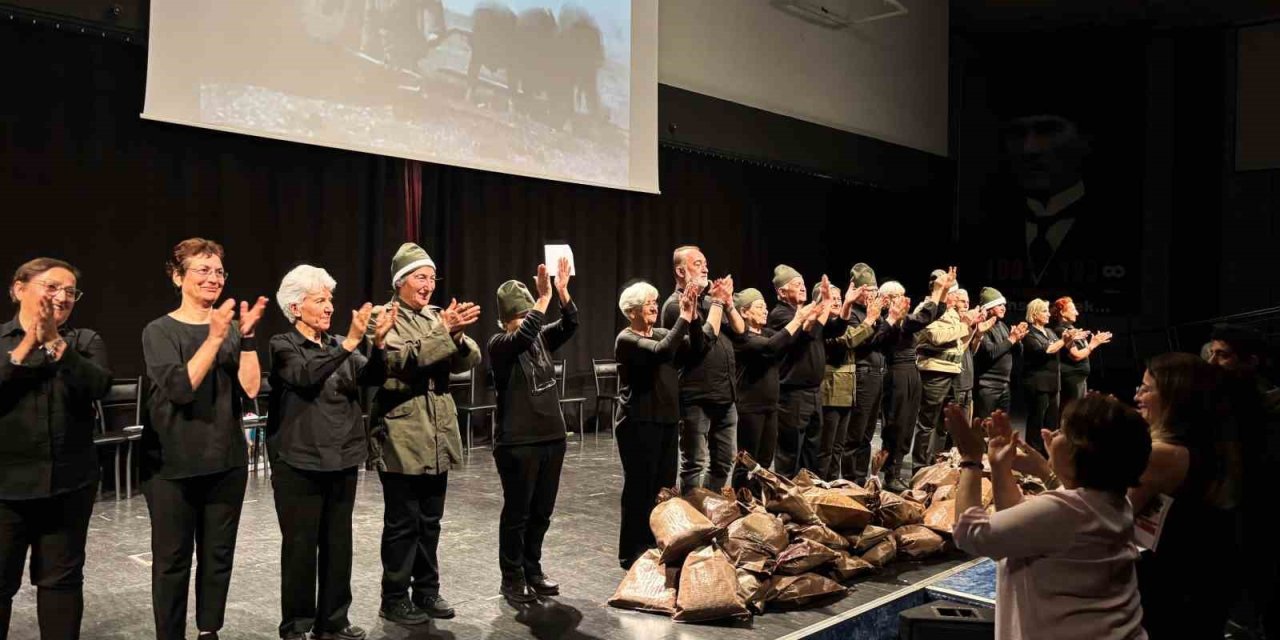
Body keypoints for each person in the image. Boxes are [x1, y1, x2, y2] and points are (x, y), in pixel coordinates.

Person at [141, 238, 268, 640]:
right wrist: (215, 339)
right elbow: (181, 388)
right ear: (178, 276)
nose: (213, 278)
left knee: (217, 556)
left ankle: (209, 630)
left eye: (219, 272)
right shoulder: (158, 331)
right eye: (203, 270)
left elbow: (250, 389)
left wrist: (245, 338)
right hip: (170, 467)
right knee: (172, 560)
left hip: (225, 461)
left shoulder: (230, 331)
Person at [948, 396, 1151, 640]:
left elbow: (971, 535)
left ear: (1081, 449)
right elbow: (1020, 532)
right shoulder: (1111, 499)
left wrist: (971, 460)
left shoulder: (1068, 511)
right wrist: (1002, 468)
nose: (1050, 434)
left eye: (1062, 430)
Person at [267, 265, 397, 640]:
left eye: (330, 300)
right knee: (301, 549)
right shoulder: (283, 345)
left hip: (342, 458)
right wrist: (352, 343)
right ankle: (296, 625)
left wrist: (380, 344)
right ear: (295, 308)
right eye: (320, 300)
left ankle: (334, 621)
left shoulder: (338, 344)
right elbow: (306, 377)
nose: (329, 307)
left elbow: (372, 377)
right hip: (299, 462)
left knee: (339, 546)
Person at [371, 243, 481, 625]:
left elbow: (470, 360)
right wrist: (443, 331)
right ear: (400, 281)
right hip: (402, 433)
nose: (429, 285)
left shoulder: (436, 316)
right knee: (403, 522)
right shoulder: (381, 316)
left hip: (438, 432)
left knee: (431, 520)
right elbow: (399, 360)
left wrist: (458, 334)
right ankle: (395, 596)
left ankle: (427, 590)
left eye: (433, 278)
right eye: (421, 277)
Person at [0, 258, 110, 640]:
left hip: (68, 485)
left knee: (61, 582)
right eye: (51, 287)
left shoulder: (83, 342)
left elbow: (98, 386)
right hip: (5, 490)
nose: (62, 297)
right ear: (18, 289)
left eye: (69, 292)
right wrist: (30, 341)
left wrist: (53, 342)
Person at [486, 258, 578, 603]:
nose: (529, 323)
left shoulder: (541, 338)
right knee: (518, 512)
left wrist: (562, 293)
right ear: (505, 321)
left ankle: (532, 568)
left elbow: (570, 323)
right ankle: (511, 577)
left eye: (531, 316)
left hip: (552, 439)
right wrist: (541, 301)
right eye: (520, 317)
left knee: (542, 511)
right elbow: (523, 336)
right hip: (517, 442)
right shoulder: (500, 345)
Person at [1131, 353, 1238, 639]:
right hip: (1202, 584)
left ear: (1173, 397)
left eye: (1146, 388)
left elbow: (1104, 514)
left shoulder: (1161, 454)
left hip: (1171, 592)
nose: (1137, 395)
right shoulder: (1209, 443)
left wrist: (1048, 469)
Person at [613, 282, 700, 568]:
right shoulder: (626, 339)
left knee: (664, 487)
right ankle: (631, 550)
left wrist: (694, 318)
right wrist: (683, 319)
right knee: (640, 487)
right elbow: (661, 351)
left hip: (665, 421)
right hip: (637, 423)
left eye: (655, 300)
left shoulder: (661, 333)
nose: (654, 306)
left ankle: (657, 541)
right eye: (649, 302)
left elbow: (694, 348)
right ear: (632, 311)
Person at [1206, 324, 1279, 638]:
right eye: (1212, 354)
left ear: (1251, 361)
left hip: (1256, 506)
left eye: (1223, 356)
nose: (1212, 363)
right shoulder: (1220, 398)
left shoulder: (1263, 404)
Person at [659, 246, 743, 491]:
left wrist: (727, 303)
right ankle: (692, 516)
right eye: (698, 263)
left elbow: (739, 331)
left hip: (725, 396)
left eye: (705, 262)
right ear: (681, 270)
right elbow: (702, 345)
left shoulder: (710, 302)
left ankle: (709, 507)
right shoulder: (675, 305)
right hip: (696, 397)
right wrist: (718, 302)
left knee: (724, 460)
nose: (705, 267)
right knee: (694, 463)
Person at [731, 288, 816, 489]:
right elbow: (771, 346)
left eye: (765, 307)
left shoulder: (767, 332)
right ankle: (741, 501)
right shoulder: (744, 339)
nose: (765, 311)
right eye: (760, 307)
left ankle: (759, 500)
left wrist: (811, 317)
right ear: (744, 312)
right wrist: (799, 318)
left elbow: (791, 340)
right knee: (747, 460)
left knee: (765, 460)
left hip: (770, 406)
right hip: (751, 407)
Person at [768, 266, 839, 477]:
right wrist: (822, 305)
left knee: (811, 450)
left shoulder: (803, 312)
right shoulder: (780, 315)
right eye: (796, 285)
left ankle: (806, 496)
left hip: (814, 392)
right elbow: (806, 334)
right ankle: (784, 498)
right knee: (790, 452)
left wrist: (828, 305)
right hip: (793, 395)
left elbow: (831, 329)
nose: (802, 288)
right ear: (781, 292)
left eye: (803, 284)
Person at [879, 275, 948, 490]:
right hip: (897, 373)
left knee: (908, 424)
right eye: (899, 297)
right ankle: (890, 474)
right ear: (888, 299)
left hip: (911, 371)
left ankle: (896, 471)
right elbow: (922, 318)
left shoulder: (903, 319)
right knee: (897, 424)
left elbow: (934, 313)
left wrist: (943, 292)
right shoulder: (887, 320)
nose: (904, 300)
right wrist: (936, 291)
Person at [836, 263, 896, 483]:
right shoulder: (852, 314)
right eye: (870, 290)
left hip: (878, 373)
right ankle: (851, 478)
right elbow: (862, 342)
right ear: (859, 291)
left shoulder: (874, 313)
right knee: (856, 432)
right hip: (862, 374)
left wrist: (888, 318)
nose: (874, 294)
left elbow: (884, 340)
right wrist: (877, 319)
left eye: (875, 289)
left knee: (868, 434)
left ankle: (861, 478)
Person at [911, 269, 974, 475]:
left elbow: (959, 347)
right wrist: (964, 325)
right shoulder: (927, 308)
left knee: (946, 424)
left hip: (952, 372)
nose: (957, 296)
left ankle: (939, 466)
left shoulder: (951, 312)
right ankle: (920, 468)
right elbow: (937, 336)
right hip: (934, 372)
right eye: (953, 291)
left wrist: (972, 327)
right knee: (928, 423)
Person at [818, 282, 879, 480]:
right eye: (832, 298)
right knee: (826, 446)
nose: (836, 301)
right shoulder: (823, 325)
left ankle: (834, 482)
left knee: (838, 445)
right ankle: (820, 485)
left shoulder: (839, 324)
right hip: (830, 390)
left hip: (847, 390)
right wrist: (869, 320)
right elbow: (846, 341)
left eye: (838, 298)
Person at [1020, 298, 1081, 454]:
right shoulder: (1029, 334)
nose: (1049, 314)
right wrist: (1064, 340)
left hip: (1054, 384)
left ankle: (1048, 457)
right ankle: (1032, 456)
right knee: (1036, 423)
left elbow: (1061, 346)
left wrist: (1073, 339)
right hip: (1038, 385)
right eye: (1045, 311)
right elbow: (1046, 350)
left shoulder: (1049, 331)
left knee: (1051, 424)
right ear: (1034, 314)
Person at [972, 287, 1028, 420]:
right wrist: (1012, 339)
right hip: (987, 387)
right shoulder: (982, 326)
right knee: (984, 428)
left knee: (1001, 429)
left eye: (1004, 305)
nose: (1004, 307)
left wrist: (1018, 340)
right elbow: (991, 353)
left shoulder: (1002, 325)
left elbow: (1017, 353)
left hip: (1004, 386)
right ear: (990, 308)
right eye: (999, 305)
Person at [1050, 296, 1112, 410]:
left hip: (1079, 379)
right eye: (1073, 310)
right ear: (1063, 313)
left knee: (1078, 411)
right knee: (1072, 412)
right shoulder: (1062, 331)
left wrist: (1093, 343)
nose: (1077, 313)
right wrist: (1093, 344)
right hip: (1071, 379)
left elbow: (1083, 352)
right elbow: (1076, 356)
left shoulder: (1072, 330)